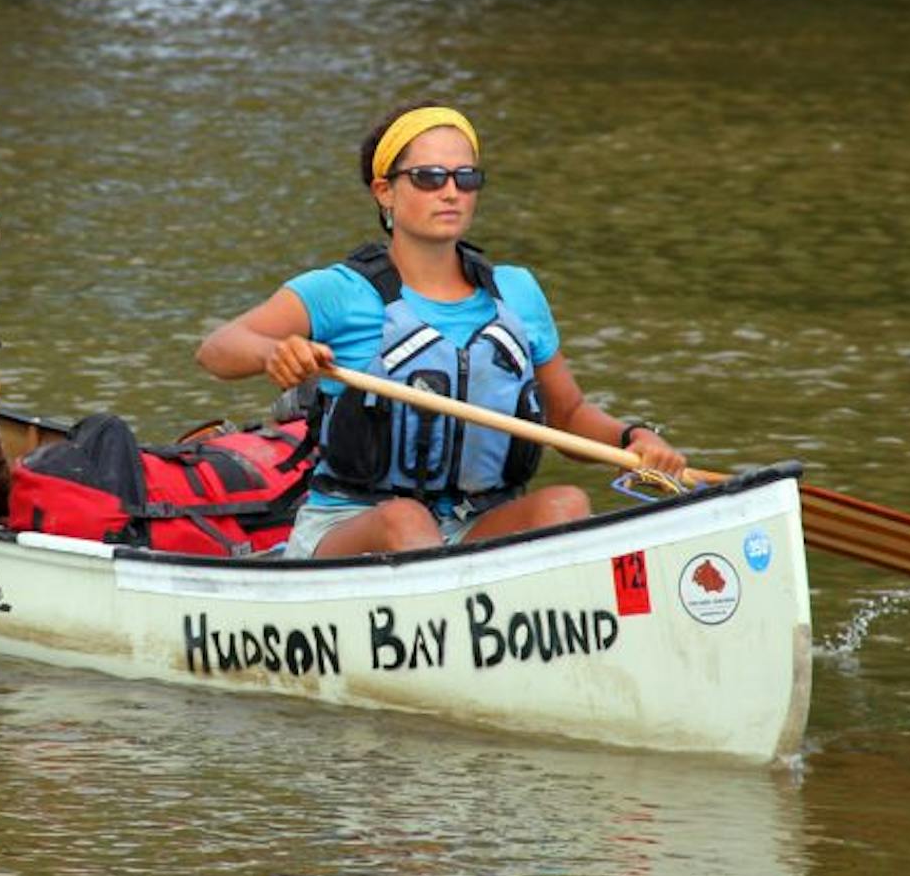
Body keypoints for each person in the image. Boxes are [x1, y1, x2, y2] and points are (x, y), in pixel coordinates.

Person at [196, 103, 687, 558]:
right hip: (356, 525)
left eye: (465, 177)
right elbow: (218, 350)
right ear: (384, 190)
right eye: (429, 177)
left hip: (478, 523)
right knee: (407, 522)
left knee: (565, 505)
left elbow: (568, 415)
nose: (451, 191)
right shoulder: (340, 291)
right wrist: (276, 353)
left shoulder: (516, 292)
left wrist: (634, 439)